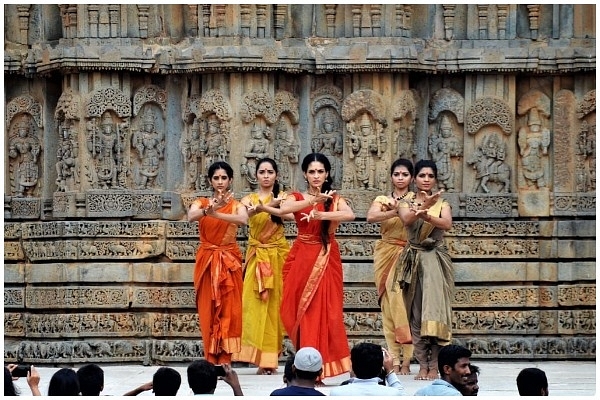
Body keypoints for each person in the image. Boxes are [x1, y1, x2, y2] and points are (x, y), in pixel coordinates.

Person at [264, 152, 355, 379]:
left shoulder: (333, 199)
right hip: (302, 257)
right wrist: (312, 203)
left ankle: (320, 369)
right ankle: (306, 367)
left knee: (326, 312)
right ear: (305, 174)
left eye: (320, 171)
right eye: (312, 171)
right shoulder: (296, 196)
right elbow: (284, 210)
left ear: (327, 174)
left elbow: (349, 215)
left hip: (326, 257)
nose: (316, 176)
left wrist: (320, 215)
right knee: (298, 311)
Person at [396, 159, 453, 380]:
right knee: (416, 315)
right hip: (414, 261)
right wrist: (423, 207)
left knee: (436, 315)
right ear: (414, 179)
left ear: (435, 179)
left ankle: (435, 366)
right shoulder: (405, 201)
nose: (426, 180)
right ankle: (422, 365)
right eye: (422, 176)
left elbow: (446, 224)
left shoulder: (443, 204)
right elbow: (407, 219)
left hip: (436, 263)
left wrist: (428, 212)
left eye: (430, 176)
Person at [234, 158, 292, 375]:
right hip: (257, 256)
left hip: (278, 256)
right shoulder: (248, 199)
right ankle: (258, 357)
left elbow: (290, 215)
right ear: (255, 175)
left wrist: (268, 206)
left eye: (270, 172)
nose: (266, 175)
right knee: (253, 305)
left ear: (276, 175)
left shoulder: (284, 197)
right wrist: (259, 208)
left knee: (276, 307)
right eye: (262, 172)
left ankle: (269, 360)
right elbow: (241, 217)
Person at [187, 161, 248, 365]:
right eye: (216, 178)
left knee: (230, 309)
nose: (220, 181)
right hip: (207, 261)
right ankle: (210, 357)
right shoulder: (201, 202)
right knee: (208, 308)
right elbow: (190, 216)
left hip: (229, 261)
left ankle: (225, 358)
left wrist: (217, 213)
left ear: (230, 180)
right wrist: (208, 211)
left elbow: (243, 220)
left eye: (224, 178)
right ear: (210, 181)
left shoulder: (237, 205)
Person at [366, 158, 415, 375]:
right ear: (392, 177)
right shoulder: (382, 199)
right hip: (385, 252)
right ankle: (394, 359)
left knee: (403, 304)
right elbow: (371, 217)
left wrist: (402, 208)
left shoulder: (416, 199)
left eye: (405, 174)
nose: (401, 178)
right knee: (387, 306)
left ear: (411, 178)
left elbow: (412, 220)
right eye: (397, 174)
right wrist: (395, 211)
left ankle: (407, 359)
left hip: (407, 254)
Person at [329, 343, 406, 396]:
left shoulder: (337, 393)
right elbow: (402, 394)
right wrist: (390, 371)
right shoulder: (393, 394)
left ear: (352, 366)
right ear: (380, 370)